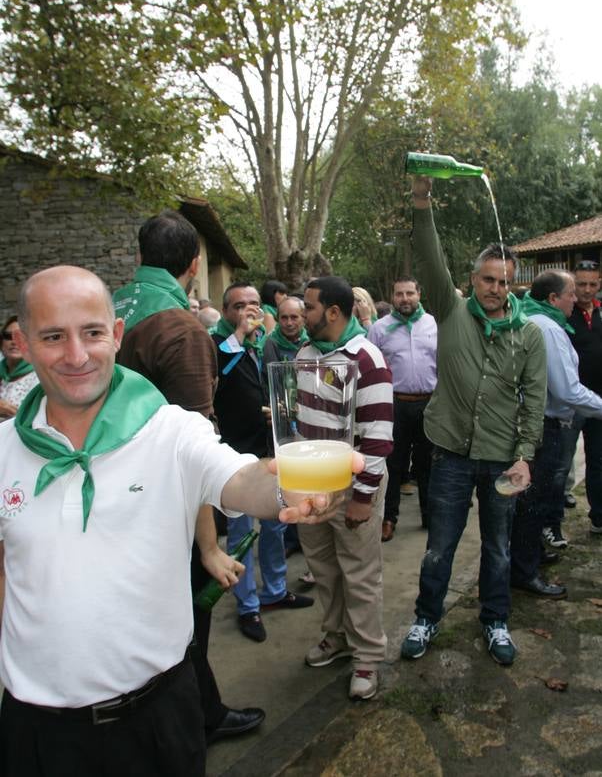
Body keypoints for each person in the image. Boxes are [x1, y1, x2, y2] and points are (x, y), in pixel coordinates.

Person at [0, 265, 346, 777]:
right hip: (36, 732)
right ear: (23, 344)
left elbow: (240, 479)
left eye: (92, 332)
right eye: (53, 337)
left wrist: (289, 487)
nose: (76, 355)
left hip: (159, 721)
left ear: (116, 336)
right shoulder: (4, 448)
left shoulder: (170, 430)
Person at [114, 211, 264, 745]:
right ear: (195, 265)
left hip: (110, 501)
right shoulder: (179, 327)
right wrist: (207, 546)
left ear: (138, 258)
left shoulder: (113, 310)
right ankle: (198, 719)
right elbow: (191, 449)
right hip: (161, 509)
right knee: (185, 622)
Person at [400, 173, 546, 667]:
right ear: (472, 281)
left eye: (504, 281)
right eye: (488, 279)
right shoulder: (450, 310)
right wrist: (422, 202)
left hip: (503, 457)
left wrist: (525, 456)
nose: (496, 288)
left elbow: (534, 399)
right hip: (450, 456)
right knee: (439, 547)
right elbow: (429, 258)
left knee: (499, 549)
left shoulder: (528, 336)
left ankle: (495, 621)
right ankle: (426, 617)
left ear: (513, 284)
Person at [297, 276, 393, 700]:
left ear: (333, 312)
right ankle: (336, 637)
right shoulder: (304, 353)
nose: (302, 315)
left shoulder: (366, 359)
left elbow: (377, 436)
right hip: (310, 486)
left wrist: (363, 497)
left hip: (351, 488)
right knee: (323, 568)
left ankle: (367, 658)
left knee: (359, 574)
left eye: (309, 308)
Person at [212, 282, 313, 643]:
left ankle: (274, 590)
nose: (250, 311)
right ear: (226, 311)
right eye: (240, 306)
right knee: (241, 532)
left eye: (254, 304)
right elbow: (222, 368)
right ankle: (247, 605)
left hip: (269, 447)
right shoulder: (218, 342)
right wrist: (241, 331)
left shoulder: (261, 345)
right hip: (236, 454)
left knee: (275, 523)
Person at [510, 270, 602, 597]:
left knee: (533, 498)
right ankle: (524, 570)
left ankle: (530, 555)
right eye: (570, 293)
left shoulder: (540, 320)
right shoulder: (548, 328)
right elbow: (567, 390)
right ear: (553, 298)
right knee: (533, 501)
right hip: (544, 426)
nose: (576, 298)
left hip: (541, 422)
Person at [368, 277, 437, 538]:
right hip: (393, 404)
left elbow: (442, 364)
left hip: (429, 403)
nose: (405, 298)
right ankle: (389, 519)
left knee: (427, 463)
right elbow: (371, 369)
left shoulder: (433, 324)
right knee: (393, 464)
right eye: (399, 294)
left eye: (410, 293)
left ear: (419, 294)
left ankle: (430, 516)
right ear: (392, 296)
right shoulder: (378, 329)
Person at [548, 261, 602, 530]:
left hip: (599, 402)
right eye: (581, 284)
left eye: (593, 284)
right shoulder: (564, 315)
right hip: (570, 403)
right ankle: (553, 524)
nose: (586, 290)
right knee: (560, 466)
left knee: (599, 460)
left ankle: (600, 516)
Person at [262, 296, 309, 559]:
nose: (289, 323)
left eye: (295, 317)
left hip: (307, 418)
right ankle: (292, 536)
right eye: (284, 318)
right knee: (288, 478)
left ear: (303, 318)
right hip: (281, 420)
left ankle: (306, 534)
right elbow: (268, 382)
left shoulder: (310, 342)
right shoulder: (270, 344)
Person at [0, 315, 39, 421]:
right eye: (8, 336)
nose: (14, 341)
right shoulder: (2, 373)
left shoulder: (40, 377)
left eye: (21, 337)